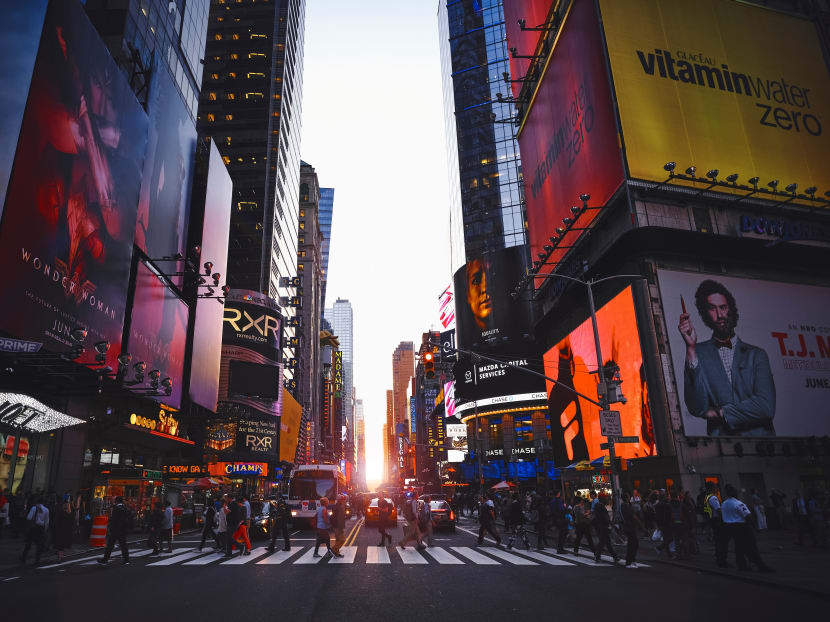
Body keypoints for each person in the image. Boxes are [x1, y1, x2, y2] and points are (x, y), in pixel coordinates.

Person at [679, 280, 776, 436]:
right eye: (712, 309)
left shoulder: (757, 355)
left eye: (723, 307)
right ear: (705, 314)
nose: (720, 315)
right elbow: (697, 407)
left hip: (763, 449)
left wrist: (721, 413)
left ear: (731, 309)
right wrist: (690, 348)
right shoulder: (698, 353)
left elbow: (766, 407)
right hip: (722, 448)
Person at [721, 484, 774, 572]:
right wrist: (755, 527)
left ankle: (742, 565)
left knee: (739, 547)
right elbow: (748, 516)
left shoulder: (723, 504)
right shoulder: (738, 503)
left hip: (730, 527)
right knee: (752, 546)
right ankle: (760, 565)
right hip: (742, 527)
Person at [98, 496, 131, 565]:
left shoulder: (116, 508)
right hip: (123, 530)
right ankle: (126, 559)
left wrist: (110, 527)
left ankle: (105, 559)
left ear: (116, 501)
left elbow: (114, 520)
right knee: (123, 545)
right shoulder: (125, 508)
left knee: (110, 545)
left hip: (115, 530)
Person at [703, 483, 728, 567]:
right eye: (716, 487)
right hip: (717, 520)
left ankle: (719, 557)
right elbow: (718, 510)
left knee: (717, 539)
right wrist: (724, 520)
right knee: (721, 540)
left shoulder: (707, 497)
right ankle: (722, 560)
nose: (717, 488)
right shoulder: (713, 498)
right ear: (713, 488)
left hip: (712, 520)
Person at [19, 496, 49, 565]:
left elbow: (29, 517)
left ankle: (24, 558)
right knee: (39, 545)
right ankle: (37, 560)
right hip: (41, 528)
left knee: (28, 544)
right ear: (43, 502)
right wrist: (45, 529)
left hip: (33, 528)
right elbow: (47, 522)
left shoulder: (34, 508)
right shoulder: (46, 510)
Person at [592, 495, 620, 565]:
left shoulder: (597, 506)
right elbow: (605, 517)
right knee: (603, 542)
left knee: (606, 542)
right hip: (603, 526)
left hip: (599, 526)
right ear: (603, 499)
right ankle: (597, 555)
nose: (607, 500)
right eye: (606, 499)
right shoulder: (601, 507)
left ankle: (615, 556)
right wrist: (612, 525)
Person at [621, 494, 643, 568]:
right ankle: (629, 561)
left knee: (632, 543)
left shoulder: (624, 505)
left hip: (628, 526)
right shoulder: (626, 506)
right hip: (629, 526)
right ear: (627, 498)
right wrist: (641, 526)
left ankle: (631, 560)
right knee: (633, 544)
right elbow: (633, 516)